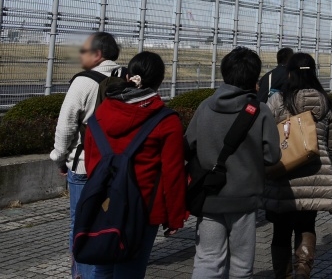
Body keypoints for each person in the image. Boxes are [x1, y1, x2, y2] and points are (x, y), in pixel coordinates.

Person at [83, 52, 186, 279]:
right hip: (144, 210)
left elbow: (92, 162)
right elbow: (173, 173)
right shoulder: (166, 121)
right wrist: (174, 216)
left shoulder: (101, 113)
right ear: (160, 81)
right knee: (130, 270)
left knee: (103, 268)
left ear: (129, 75)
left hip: (105, 205)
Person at [186, 47, 281, 279]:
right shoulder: (260, 111)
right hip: (244, 200)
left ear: (225, 73)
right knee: (241, 265)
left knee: (207, 259)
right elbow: (272, 156)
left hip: (209, 197)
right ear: (254, 78)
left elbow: (189, 144)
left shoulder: (205, 106)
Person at [264, 53, 332, 279]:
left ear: (290, 73)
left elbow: (267, 136)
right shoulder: (325, 102)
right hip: (316, 174)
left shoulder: (278, 101)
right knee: (306, 226)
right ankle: (302, 272)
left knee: (280, 231)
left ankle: (284, 275)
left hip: (283, 175)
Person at [51, 32, 122, 279]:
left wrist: (60, 158)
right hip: (116, 166)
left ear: (97, 54)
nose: (79, 55)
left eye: (83, 50)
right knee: (108, 221)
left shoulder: (83, 82)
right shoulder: (127, 77)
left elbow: (66, 126)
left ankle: (82, 274)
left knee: (80, 224)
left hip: (84, 166)